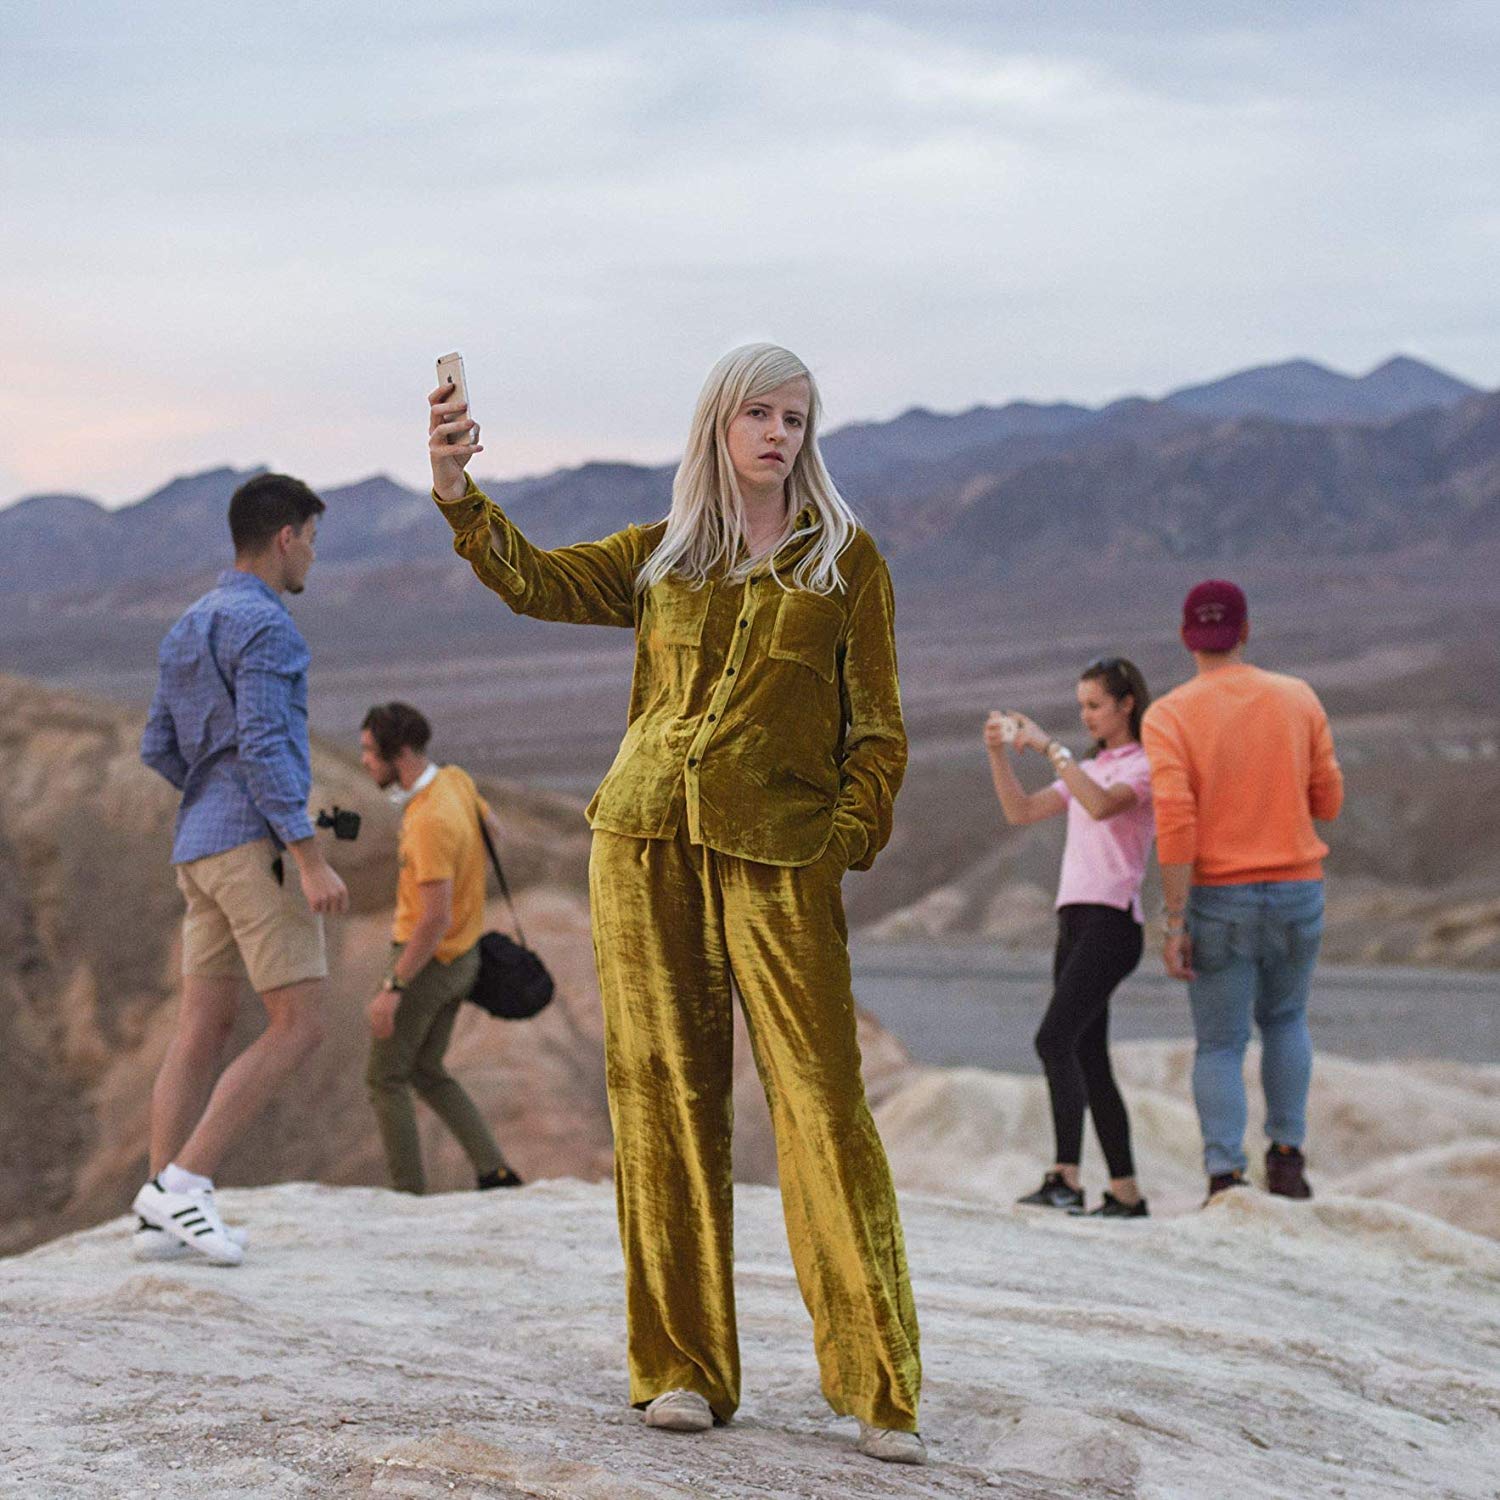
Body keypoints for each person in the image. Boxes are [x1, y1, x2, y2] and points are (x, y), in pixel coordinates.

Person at [425, 343, 923, 1465]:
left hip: (781, 857)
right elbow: (535, 581)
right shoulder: (664, 554)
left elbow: (879, 731)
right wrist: (459, 492)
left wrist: (840, 841)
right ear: (718, 423)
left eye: (796, 418)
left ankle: (878, 1389)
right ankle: (682, 1369)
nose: (780, 434)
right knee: (661, 1102)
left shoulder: (846, 563)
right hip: (644, 842)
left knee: (822, 1104)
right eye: (760, 413)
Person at [135, 473, 349, 1265]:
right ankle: (185, 1184)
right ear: (286, 537)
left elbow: (158, 746)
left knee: (202, 1028)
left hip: (198, 847)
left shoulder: (187, 624)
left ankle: (158, 1207)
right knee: (300, 1025)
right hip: (255, 849)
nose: (312, 558)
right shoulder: (269, 627)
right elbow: (263, 747)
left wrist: (210, 794)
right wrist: (308, 857)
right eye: (312, 541)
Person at [1142, 580, 1344, 1203]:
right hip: (1297, 889)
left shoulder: (1169, 715)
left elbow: (1176, 823)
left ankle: (1226, 1177)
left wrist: (1175, 921)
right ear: (1246, 631)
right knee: (1286, 1021)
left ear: (1187, 637)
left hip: (1219, 900)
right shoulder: (1298, 697)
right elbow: (1328, 802)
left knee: (1220, 1044)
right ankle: (1287, 1162)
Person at [984, 658, 1156, 1219]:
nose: (1086, 716)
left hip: (1113, 923)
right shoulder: (1088, 767)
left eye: (1095, 705)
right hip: (1075, 920)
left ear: (1126, 704)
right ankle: (1126, 1193)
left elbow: (1102, 806)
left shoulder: (1143, 765)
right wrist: (998, 754)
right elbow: (1022, 811)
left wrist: (1048, 746)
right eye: (1081, 705)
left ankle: (1065, 1177)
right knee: (1088, 1055)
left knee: (1053, 1040)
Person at [358, 701, 522, 1194]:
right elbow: (496, 834)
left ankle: (407, 1196)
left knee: (384, 1078)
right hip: (464, 957)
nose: (364, 761)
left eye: (370, 752)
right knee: (427, 1070)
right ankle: (495, 1171)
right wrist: (468, 886)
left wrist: (393, 987)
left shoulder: (429, 820)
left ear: (399, 754)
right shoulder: (455, 780)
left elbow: (433, 919)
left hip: (426, 963)